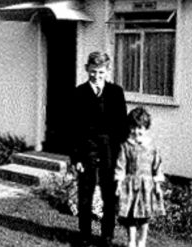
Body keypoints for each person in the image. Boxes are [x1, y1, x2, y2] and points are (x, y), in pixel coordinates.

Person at [70, 51, 128, 247]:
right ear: (87, 69)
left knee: (109, 195)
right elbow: (73, 128)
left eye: (101, 72)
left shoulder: (116, 92)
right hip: (87, 150)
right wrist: (76, 158)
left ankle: (107, 236)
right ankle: (84, 235)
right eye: (93, 71)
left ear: (107, 71)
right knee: (85, 194)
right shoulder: (78, 93)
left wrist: (121, 156)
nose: (96, 76)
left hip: (110, 151)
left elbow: (122, 127)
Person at [114, 107, 166, 247]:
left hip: (147, 186)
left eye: (140, 128)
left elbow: (157, 166)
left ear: (146, 128)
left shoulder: (152, 147)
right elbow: (121, 165)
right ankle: (131, 241)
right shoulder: (125, 145)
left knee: (144, 216)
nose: (136, 131)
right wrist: (119, 184)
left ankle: (141, 241)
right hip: (130, 185)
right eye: (133, 127)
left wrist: (157, 185)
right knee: (131, 216)